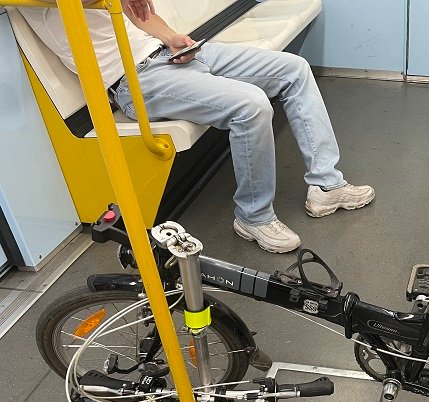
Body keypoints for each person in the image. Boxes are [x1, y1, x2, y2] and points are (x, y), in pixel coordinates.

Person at [19, 0, 374, 253]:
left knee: (294, 69)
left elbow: (139, 16)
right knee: (250, 105)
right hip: (135, 81)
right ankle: (253, 216)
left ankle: (326, 185)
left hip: (165, 55)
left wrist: (173, 38)